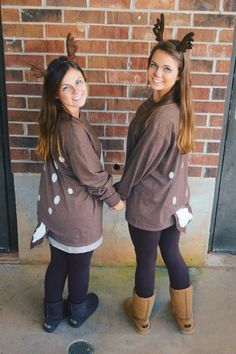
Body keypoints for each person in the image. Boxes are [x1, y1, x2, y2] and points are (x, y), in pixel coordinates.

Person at [31, 55, 125, 333]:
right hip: (77, 215)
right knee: (80, 265)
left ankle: (52, 316)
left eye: (79, 82)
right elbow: (92, 176)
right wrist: (114, 199)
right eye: (66, 87)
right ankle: (78, 309)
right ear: (56, 96)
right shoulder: (73, 131)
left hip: (55, 211)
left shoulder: (55, 122)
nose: (77, 90)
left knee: (58, 263)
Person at [115, 14, 195, 334]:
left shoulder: (163, 116)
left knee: (147, 261)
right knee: (172, 254)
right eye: (154, 64)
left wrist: (119, 192)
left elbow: (141, 163)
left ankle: (141, 317)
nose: (157, 72)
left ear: (178, 75)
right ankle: (185, 317)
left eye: (166, 68)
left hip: (150, 203)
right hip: (173, 200)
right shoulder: (173, 107)